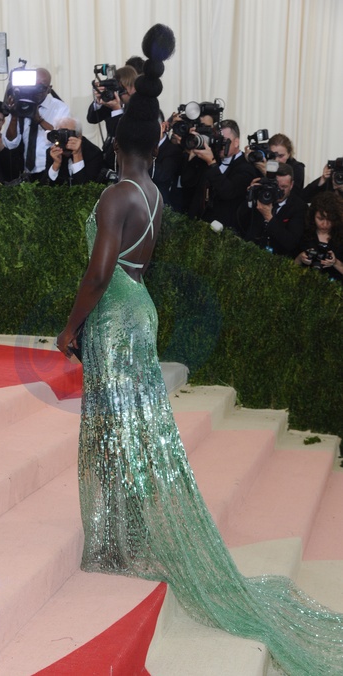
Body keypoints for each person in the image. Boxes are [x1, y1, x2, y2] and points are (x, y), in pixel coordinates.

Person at [56, 23, 343, 676]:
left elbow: (97, 274)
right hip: (141, 309)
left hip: (113, 314)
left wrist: (70, 329)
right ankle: (125, 535)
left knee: (111, 427)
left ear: (115, 141)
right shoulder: (154, 194)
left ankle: (116, 540)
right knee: (133, 426)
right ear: (154, 142)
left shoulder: (115, 195)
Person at [2, 67, 70, 182]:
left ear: (49, 89)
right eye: (34, 85)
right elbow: (10, 144)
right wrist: (14, 116)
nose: (37, 90)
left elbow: (63, 139)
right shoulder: (20, 104)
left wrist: (39, 120)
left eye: (41, 87)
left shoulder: (60, 108)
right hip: (25, 173)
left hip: (52, 170)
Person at [194, 119, 258, 230]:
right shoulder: (211, 158)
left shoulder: (246, 167)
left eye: (223, 141)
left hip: (229, 230)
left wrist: (212, 164)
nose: (220, 144)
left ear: (236, 142)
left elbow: (228, 192)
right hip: (204, 225)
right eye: (217, 140)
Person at [237, 162, 307, 256]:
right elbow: (241, 221)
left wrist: (269, 218)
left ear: (291, 185)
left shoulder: (299, 207)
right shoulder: (261, 195)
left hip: (279, 258)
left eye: (284, 187)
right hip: (251, 253)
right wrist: (251, 196)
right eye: (276, 186)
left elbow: (291, 242)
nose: (279, 190)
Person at [86, 65, 137, 171]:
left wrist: (116, 109)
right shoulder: (111, 102)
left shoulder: (138, 107)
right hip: (109, 157)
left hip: (127, 164)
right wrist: (98, 101)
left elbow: (122, 134)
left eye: (121, 88)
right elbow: (92, 118)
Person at [295, 191, 343, 281]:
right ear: (313, 215)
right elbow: (289, 267)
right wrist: (300, 258)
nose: (325, 224)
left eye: (330, 220)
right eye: (320, 219)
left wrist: (335, 262)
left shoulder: (340, 237)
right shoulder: (303, 233)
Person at [45, 116, 103, 186]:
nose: (63, 138)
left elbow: (87, 188)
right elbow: (46, 187)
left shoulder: (93, 153)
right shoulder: (53, 152)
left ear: (79, 137)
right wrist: (55, 165)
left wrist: (77, 155)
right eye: (59, 134)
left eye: (67, 134)